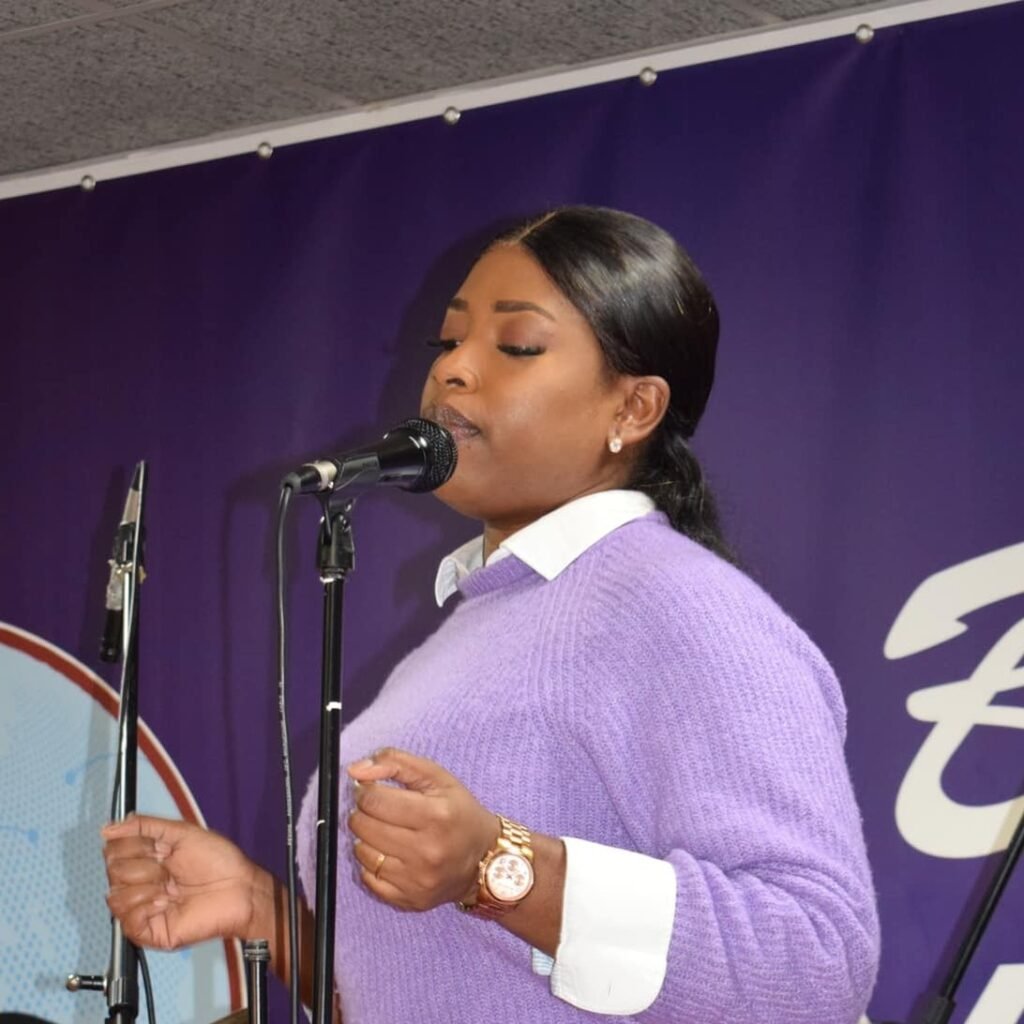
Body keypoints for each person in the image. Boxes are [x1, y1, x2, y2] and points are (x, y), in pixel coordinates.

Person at [103, 206, 880, 1023]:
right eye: (447, 342)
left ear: (635, 409)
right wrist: (263, 910)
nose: (453, 372)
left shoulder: (680, 605)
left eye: (516, 347)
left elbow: (817, 956)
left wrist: (496, 868)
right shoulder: (471, 631)